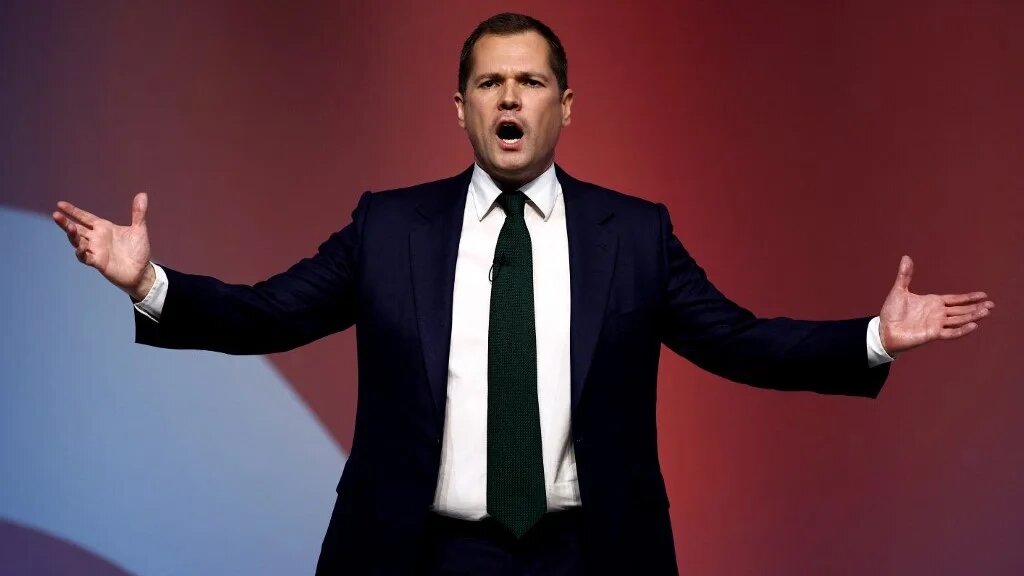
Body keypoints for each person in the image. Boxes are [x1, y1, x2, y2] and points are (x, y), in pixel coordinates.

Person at [51, 13, 994, 576]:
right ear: (459, 107)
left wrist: (873, 337)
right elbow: (274, 311)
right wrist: (152, 285)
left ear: (564, 106)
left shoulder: (636, 233)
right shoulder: (389, 227)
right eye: (490, 81)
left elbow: (738, 340)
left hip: (590, 553)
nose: (511, 96)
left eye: (532, 80)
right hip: (420, 553)